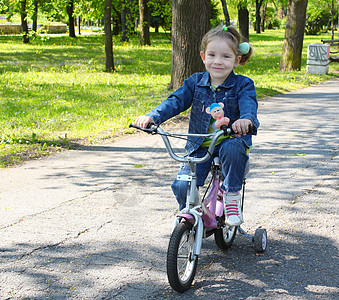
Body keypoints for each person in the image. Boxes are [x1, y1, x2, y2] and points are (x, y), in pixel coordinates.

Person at [134, 25, 259, 227]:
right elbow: (175, 101)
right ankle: (190, 213)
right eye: (212, 55)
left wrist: (246, 120)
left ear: (237, 60)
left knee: (233, 150)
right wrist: (153, 117)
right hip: (199, 145)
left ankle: (232, 195)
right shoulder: (195, 82)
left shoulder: (243, 84)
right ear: (203, 56)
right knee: (182, 185)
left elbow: (248, 104)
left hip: (230, 140)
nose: (218, 61)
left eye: (226, 56)